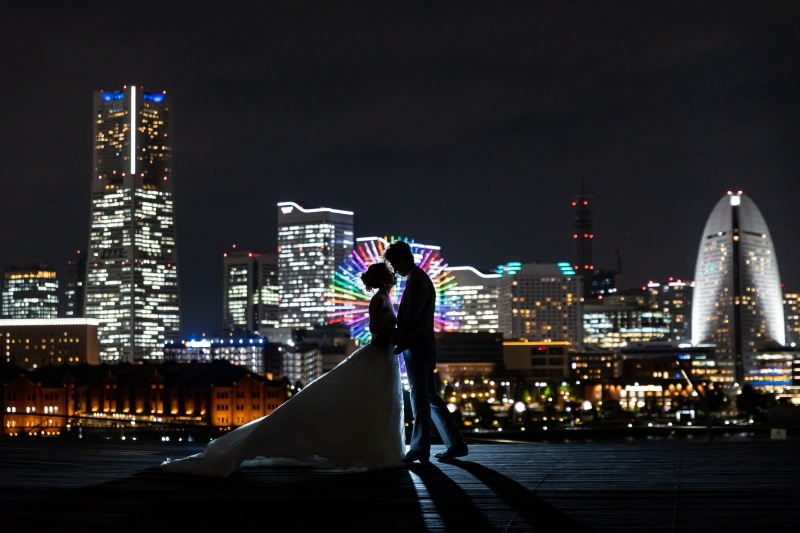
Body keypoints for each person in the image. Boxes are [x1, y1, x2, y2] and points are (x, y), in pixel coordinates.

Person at [160, 262, 405, 477]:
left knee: (377, 402)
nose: (394, 273)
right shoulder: (378, 300)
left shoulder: (387, 298)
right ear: (383, 278)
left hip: (385, 357)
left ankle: (378, 450)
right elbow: (374, 329)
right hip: (378, 355)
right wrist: (394, 332)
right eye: (390, 271)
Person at [383, 240, 468, 463]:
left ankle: (420, 448)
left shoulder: (417, 282)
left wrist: (391, 337)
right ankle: (456, 443)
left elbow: (411, 320)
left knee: (419, 397)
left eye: (394, 264)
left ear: (401, 260)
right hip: (419, 344)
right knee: (427, 395)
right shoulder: (417, 279)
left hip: (417, 345)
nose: (394, 270)